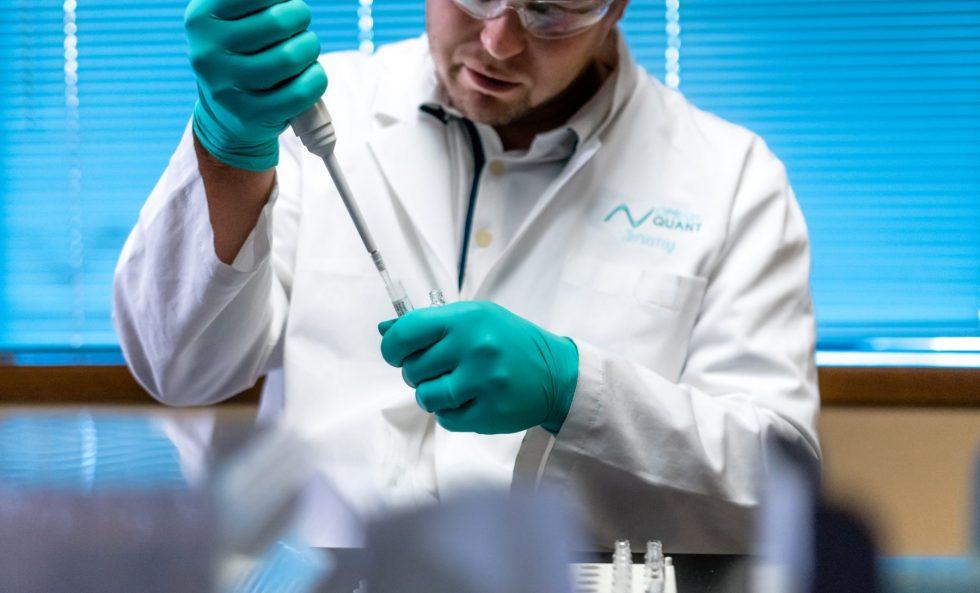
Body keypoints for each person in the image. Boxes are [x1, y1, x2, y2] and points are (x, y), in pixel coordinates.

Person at [113, 0, 820, 552]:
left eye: (552, 10)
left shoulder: (730, 180)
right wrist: (228, 145)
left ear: (618, 7)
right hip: (324, 572)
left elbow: (779, 478)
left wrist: (577, 389)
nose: (498, 42)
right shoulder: (320, 111)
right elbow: (178, 367)